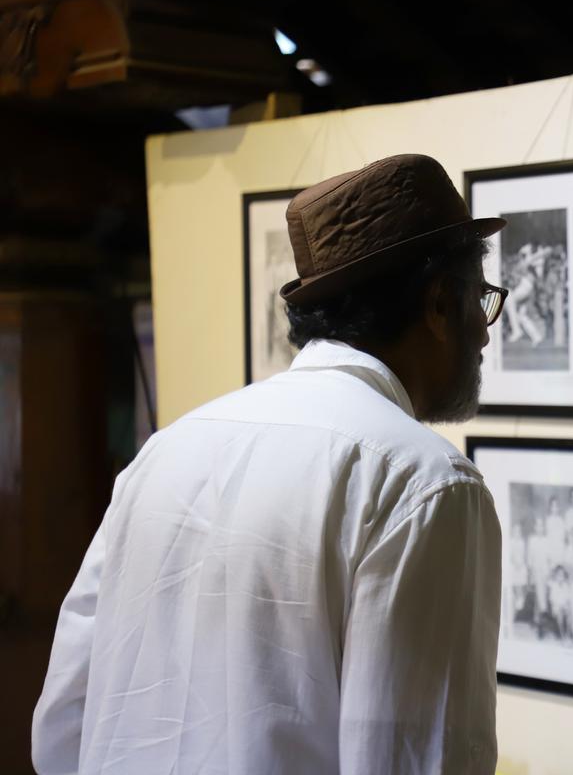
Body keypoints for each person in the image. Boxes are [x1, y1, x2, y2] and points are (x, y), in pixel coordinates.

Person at [32, 155, 508, 774]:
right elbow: (414, 759)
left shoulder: (167, 449)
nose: (485, 336)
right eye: (483, 301)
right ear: (440, 304)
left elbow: (62, 728)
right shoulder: (423, 482)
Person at [505, 521, 530, 638]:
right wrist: (515, 563)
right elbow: (509, 555)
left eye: (519, 531)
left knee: (520, 594)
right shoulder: (510, 542)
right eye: (515, 531)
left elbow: (523, 555)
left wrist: (521, 563)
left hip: (521, 567)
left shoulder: (522, 542)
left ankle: (515, 611)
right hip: (512, 567)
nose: (517, 533)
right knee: (513, 593)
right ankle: (510, 618)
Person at [547, 565, 572, 642]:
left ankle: (568, 635)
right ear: (556, 575)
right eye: (558, 575)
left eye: (562, 575)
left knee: (569, 615)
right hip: (556, 605)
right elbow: (552, 598)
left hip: (564, 605)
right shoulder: (553, 584)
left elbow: (568, 597)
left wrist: (566, 605)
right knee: (560, 616)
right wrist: (558, 605)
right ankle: (562, 636)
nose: (560, 577)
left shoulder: (566, 585)